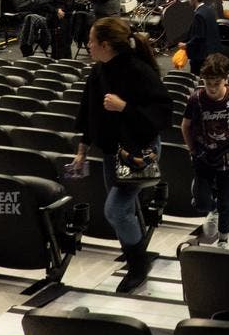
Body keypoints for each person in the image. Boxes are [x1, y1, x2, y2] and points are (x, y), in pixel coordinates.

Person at [73, 17, 172, 292]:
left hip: (139, 151)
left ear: (106, 45)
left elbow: (162, 114)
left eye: (92, 41)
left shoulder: (138, 71)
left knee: (115, 210)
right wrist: (83, 147)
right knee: (124, 208)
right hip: (110, 150)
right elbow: (88, 110)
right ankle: (137, 253)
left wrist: (124, 107)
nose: (88, 45)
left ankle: (138, 266)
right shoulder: (100, 70)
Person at [181, 53, 229, 247]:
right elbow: (185, 125)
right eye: (208, 83)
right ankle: (211, 209)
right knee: (202, 201)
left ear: (225, 80)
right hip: (204, 156)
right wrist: (192, 149)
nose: (212, 88)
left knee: (227, 201)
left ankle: (223, 239)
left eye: (216, 83)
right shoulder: (196, 99)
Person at [180, 0, 221, 74]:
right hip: (212, 51)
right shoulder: (209, 10)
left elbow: (199, 36)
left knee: (197, 76)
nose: (189, 0)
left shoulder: (199, 15)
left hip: (201, 55)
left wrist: (186, 45)